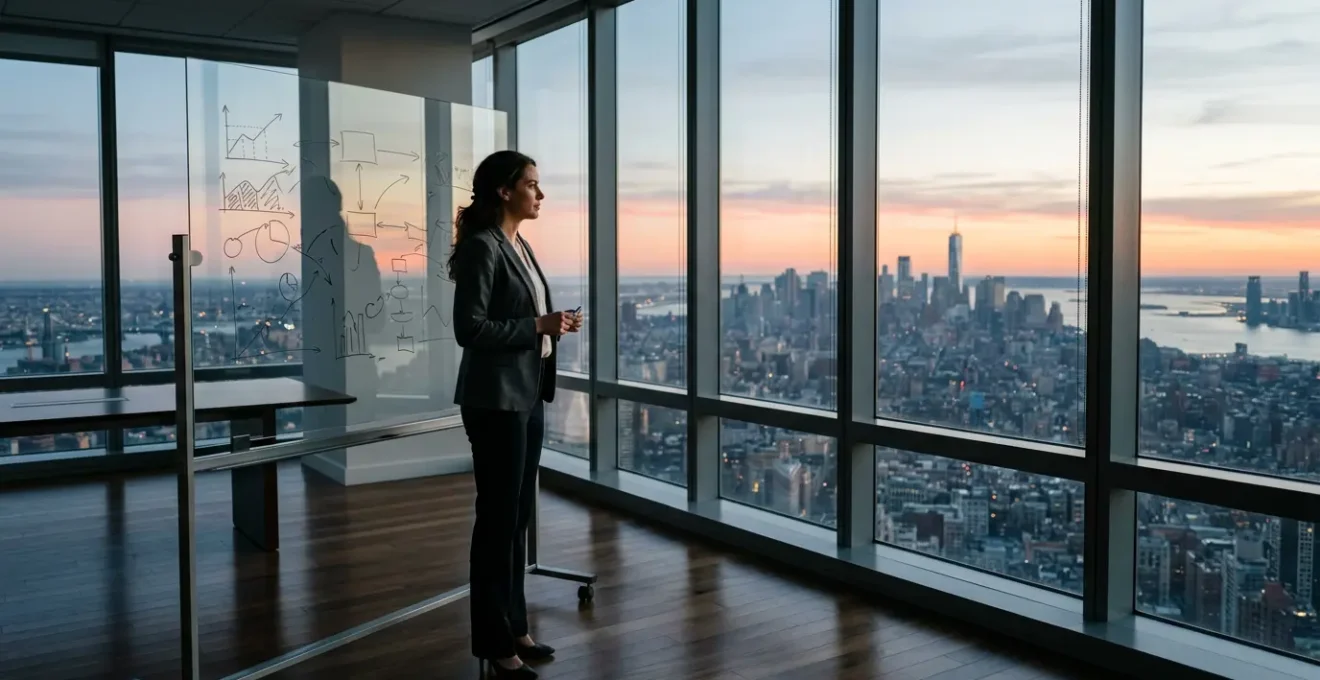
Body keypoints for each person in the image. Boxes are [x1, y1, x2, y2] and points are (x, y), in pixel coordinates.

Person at [450, 150, 581, 679]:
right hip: (495, 402)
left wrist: (552, 325)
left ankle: (516, 625)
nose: (540, 193)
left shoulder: (519, 245)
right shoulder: (483, 248)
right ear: (504, 191)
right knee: (497, 524)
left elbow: (525, 316)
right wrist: (538, 327)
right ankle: (493, 642)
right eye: (531, 184)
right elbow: (471, 329)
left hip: (526, 397)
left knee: (518, 518)